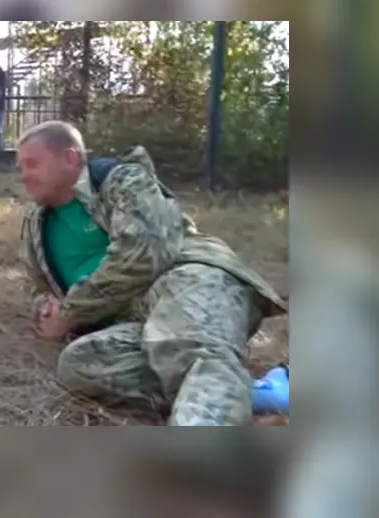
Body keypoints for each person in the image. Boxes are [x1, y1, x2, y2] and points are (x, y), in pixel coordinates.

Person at [16, 120, 287, 426]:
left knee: (193, 354)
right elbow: (38, 287)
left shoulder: (123, 179)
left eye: (32, 164)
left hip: (183, 279)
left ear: (70, 158)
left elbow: (144, 255)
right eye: (20, 167)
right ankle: (254, 396)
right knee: (80, 365)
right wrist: (46, 309)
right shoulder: (36, 225)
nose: (23, 176)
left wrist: (70, 311)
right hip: (132, 320)